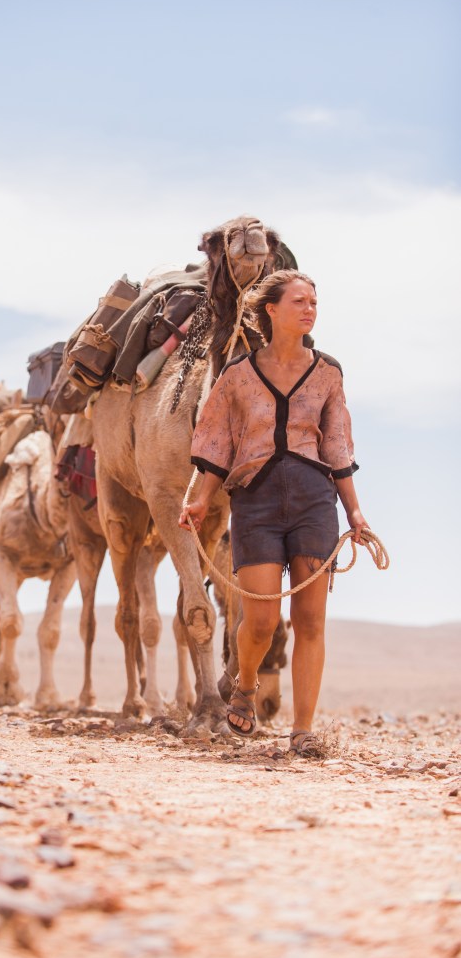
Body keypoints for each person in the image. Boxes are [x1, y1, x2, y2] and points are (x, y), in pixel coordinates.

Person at [178, 269, 367, 757]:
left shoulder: (328, 372)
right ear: (272, 311)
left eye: (314, 302)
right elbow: (216, 443)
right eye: (300, 301)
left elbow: (338, 444)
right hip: (256, 501)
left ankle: (303, 729)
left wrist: (356, 513)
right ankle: (244, 684)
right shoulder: (237, 375)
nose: (310, 310)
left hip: (314, 502)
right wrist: (199, 498)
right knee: (261, 621)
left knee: (310, 619)